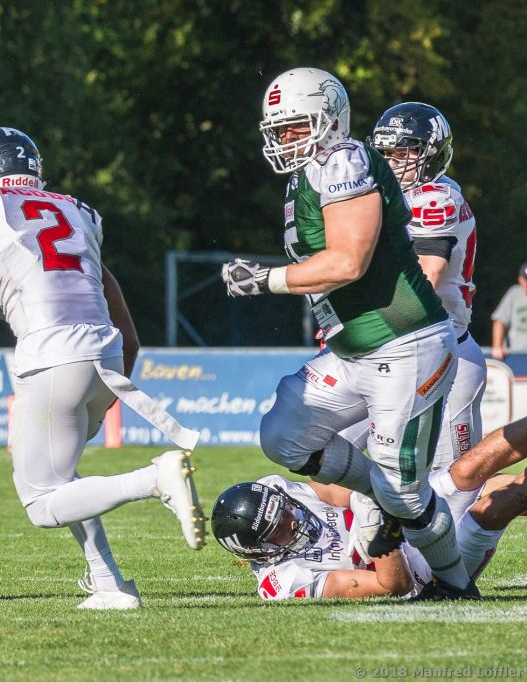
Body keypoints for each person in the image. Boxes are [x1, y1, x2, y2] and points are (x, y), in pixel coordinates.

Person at [221, 67, 472, 599]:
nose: (284, 139)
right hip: (357, 350)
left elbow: (348, 262)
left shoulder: (344, 160)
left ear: (330, 118)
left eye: (295, 126)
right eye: (278, 130)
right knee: (283, 432)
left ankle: (454, 582)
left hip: (404, 343)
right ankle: (378, 495)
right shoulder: (308, 173)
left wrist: (264, 279)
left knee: (405, 493)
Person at [0, 126, 205, 610]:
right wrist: (105, 395)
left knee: (41, 503)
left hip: (52, 353)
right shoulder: (76, 209)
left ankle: (153, 480)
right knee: (64, 475)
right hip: (105, 356)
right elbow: (127, 326)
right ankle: (109, 584)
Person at [339, 103, 486, 514]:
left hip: (442, 353)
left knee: (455, 483)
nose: (393, 163)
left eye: (405, 153)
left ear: (434, 153)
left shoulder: (434, 199)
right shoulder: (376, 196)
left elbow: (426, 278)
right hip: (380, 350)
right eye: (386, 153)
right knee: (322, 451)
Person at [210, 469, 523, 600]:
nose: (290, 522)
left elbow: (336, 491)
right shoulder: (284, 580)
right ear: (259, 550)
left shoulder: (274, 489)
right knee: (495, 506)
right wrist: (377, 528)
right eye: (276, 529)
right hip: (417, 572)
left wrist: (369, 497)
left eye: (285, 511)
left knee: (480, 475)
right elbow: (393, 585)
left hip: (392, 519)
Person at [490, 263, 527, 360]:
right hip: (516, 356)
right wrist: (497, 346)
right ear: (520, 280)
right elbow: (500, 320)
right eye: (526, 280)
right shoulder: (514, 293)